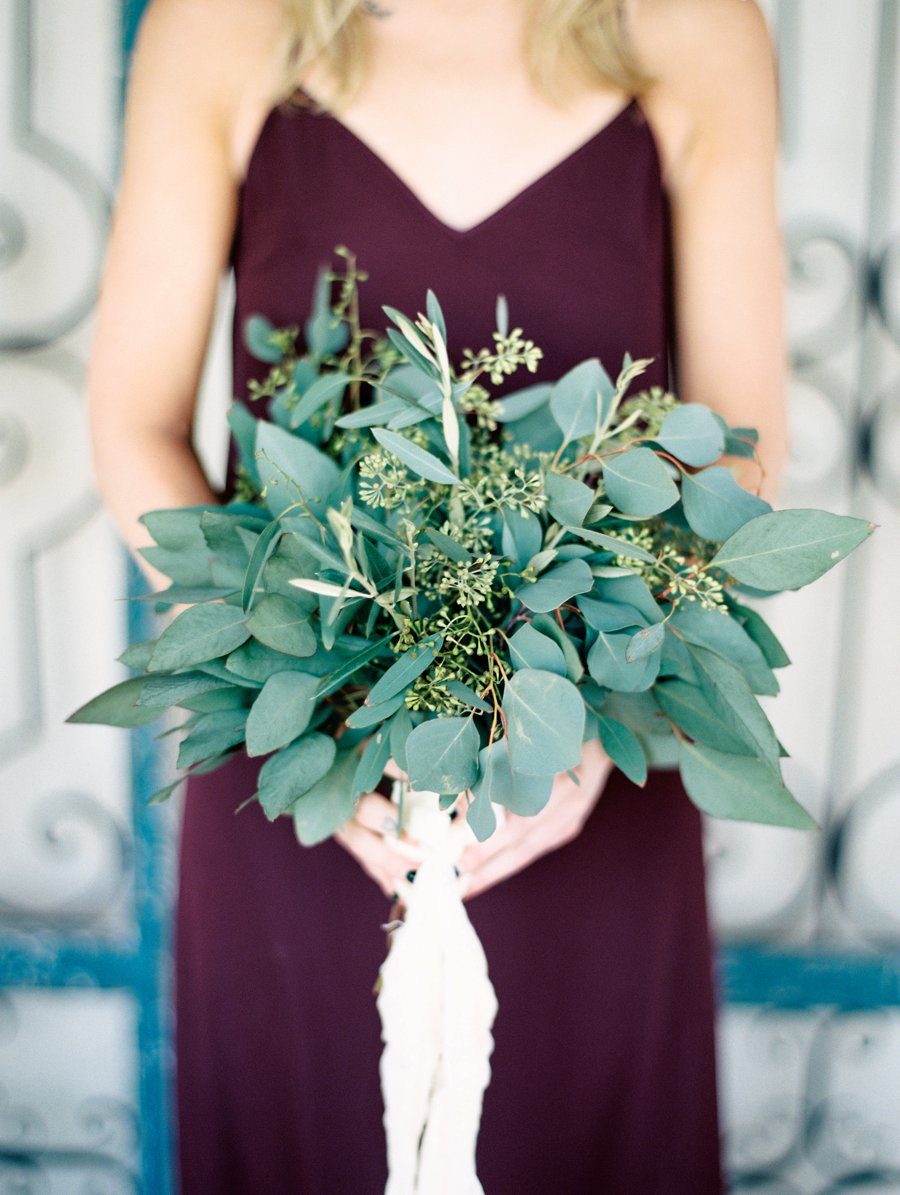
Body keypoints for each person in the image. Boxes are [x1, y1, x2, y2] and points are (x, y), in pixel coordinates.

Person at [88, 0, 787, 1191]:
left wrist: (588, 728)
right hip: (312, 792)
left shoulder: (695, 26)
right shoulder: (219, 26)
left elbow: (735, 449)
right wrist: (314, 707)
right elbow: (136, 424)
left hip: (592, 775)